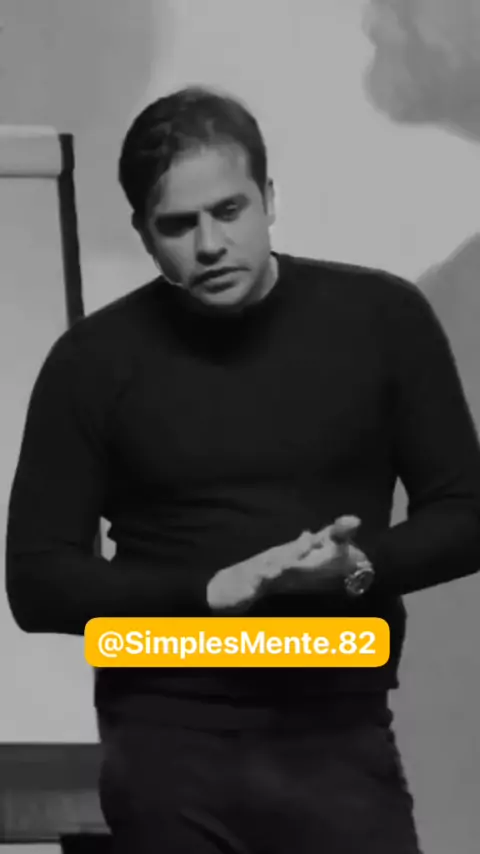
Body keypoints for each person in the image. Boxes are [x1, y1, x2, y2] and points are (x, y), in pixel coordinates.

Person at [5, 85, 480, 854]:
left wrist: (358, 568)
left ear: (269, 198)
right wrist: (209, 592)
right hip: (163, 735)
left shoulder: (382, 319)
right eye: (177, 224)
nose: (209, 245)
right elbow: (35, 582)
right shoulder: (92, 362)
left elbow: (466, 512)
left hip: (337, 723)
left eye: (229, 210)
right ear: (143, 234)